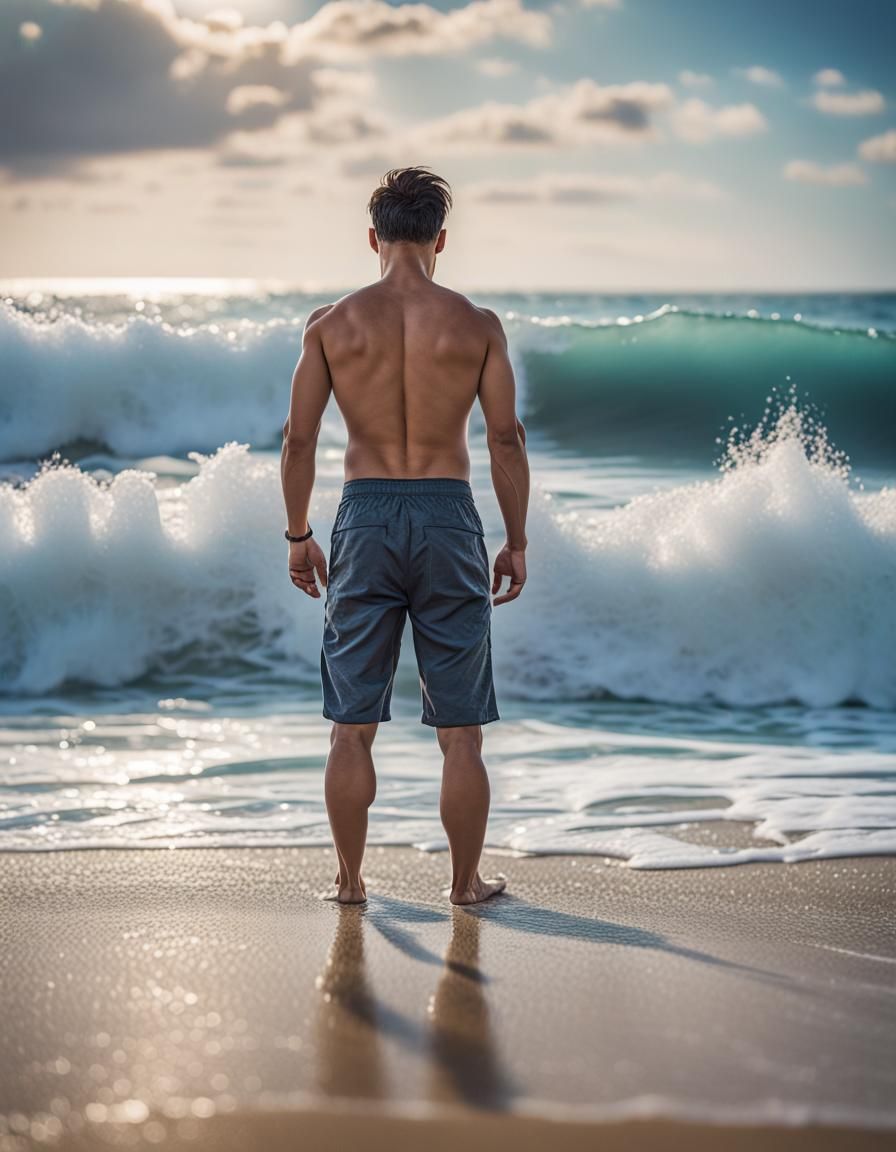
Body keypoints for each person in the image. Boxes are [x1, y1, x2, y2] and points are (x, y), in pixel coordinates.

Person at [281, 166, 529, 906]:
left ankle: (351, 883)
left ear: (373, 238)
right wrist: (516, 541)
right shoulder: (477, 326)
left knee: (351, 727)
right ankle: (464, 884)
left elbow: (298, 442)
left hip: (364, 517)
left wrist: (298, 536)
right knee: (460, 731)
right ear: (440, 240)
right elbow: (506, 440)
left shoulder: (330, 326)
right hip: (450, 515)